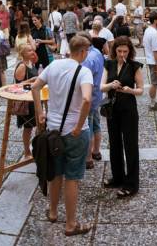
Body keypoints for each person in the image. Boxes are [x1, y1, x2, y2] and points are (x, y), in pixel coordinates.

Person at [31, 34, 93, 237]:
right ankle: (71, 224)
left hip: (53, 130)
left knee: (56, 173)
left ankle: (53, 212)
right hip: (74, 133)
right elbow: (86, 100)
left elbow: (35, 87)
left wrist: (40, 112)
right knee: (72, 177)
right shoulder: (84, 72)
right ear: (83, 51)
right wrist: (79, 126)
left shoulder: (54, 65)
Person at [101, 37, 144, 197]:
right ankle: (118, 177)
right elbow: (101, 86)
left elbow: (141, 89)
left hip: (129, 109)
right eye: (119, 51)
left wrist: (129, 90)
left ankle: (132, 184)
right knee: (114, 143)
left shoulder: (134, 66)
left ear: (129, 51)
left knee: (130, 145)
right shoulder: (109, 64)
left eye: (125, 51)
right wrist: (111, 86)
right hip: (112, 108)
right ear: (115, 50)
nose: (122, 54)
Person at [81, 32, 105, 170]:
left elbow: (85, 81)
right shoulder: (96, 51)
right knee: (96, 124)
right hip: (97, 95)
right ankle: (96, 151)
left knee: (88, 127)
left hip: (90, 96)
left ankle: (88, 158)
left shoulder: (87, 59)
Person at [13, 44, 40, 158]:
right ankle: (26, 152)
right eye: (29, 50)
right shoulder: (22, 66)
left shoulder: (31, 63)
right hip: (26, 101)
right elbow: (17, 86)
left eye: (32, 50)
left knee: (38, 125)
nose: (32, 52)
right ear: (23, 53)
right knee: (28, 127)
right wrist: (31, 80)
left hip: (33, 99)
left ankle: (36, 148)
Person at [142, 12, 157, 112]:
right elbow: (155, 50)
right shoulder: (154, 33)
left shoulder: (148, 30)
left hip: (150, 59)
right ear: (155, 20)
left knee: (154, 82)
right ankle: (152, 104)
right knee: (154, 83)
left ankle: (153, 102)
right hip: (155, 61)